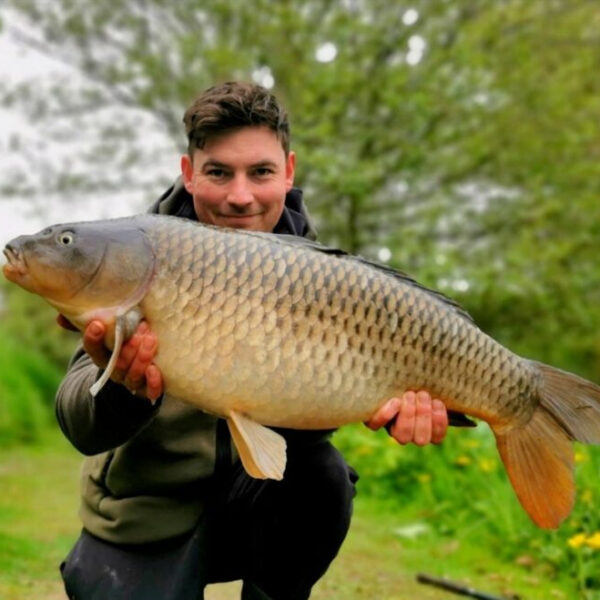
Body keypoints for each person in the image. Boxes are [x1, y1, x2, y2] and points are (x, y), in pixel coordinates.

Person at [56, 81, 449, 600]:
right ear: (189, 174)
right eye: (218, 172)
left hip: (258, 505)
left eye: (260, 172)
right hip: (146, 510)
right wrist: (125, 388)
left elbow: (300, 437)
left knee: (322, 477)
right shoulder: (136, 258)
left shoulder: (327, 278)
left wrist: (394, 402)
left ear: (287, 172)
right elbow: (77, 421)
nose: (240, 196)